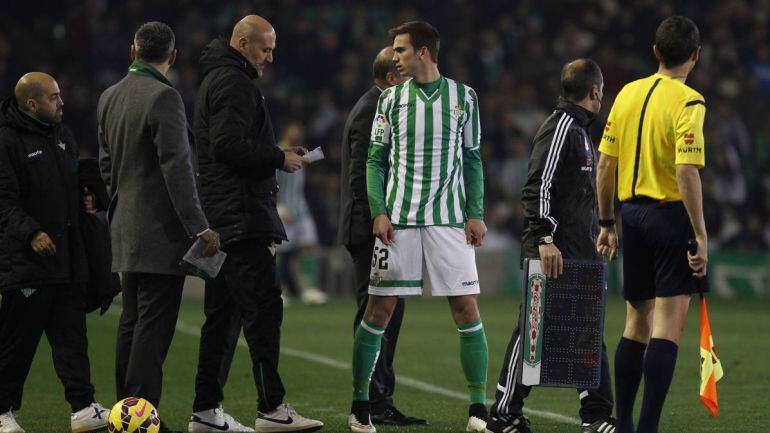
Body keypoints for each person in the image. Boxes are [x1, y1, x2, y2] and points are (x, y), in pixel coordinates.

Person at [348, 21, 488, 433]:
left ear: (423, 52)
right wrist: (379, 210)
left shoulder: (465, 97)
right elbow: (375, 160)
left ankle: (478, 409)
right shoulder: (389, 101)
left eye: (401, 49)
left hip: (449, 221)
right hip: (400, 221)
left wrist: (476, 212)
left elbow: (474, 159)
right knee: (379, 310)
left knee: (467, 309)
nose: (395, 56)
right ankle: (360, 407)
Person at [189, 15, 323, 433]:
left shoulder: (219, 78)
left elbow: (228, 143)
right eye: (264, 49)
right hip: (240, 218)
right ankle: (271, 409)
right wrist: (278, 158)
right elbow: (227, 145)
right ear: (243, 43)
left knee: (222, 319)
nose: (269, 57)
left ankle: (206, 411)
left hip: (224, 215)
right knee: (263, 312)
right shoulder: (233, 83)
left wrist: (276, 151)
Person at [97, 22, 219, 433]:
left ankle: (123, 414)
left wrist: (122, 205)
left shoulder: (109, 97)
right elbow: (177, 169)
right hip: (160, 233)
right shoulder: (164, 97)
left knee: (130, 322)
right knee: (152, 327)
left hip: (124, 230)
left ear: (133, 50)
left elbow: (105, 166)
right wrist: (199, 225)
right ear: (173, 56)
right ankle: (139, 420)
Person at [485, 60, 616, 433]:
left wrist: (600, 231)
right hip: (553, 251)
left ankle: (596, 416)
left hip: (578, 253)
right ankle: (504, 414)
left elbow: (577, 197)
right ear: (595, 91)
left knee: (587, 332)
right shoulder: (561, 127)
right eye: (602, 89)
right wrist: (545, 238)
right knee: (533, 332)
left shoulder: (579, 131)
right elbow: (537, 186)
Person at [596, 16, 708, 433]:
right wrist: (700, 234)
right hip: (669, 216)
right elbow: (687, 172)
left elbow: (606, 163)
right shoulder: (689, 101)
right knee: (666, 327)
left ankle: (621, 422)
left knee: (635, 323)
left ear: (656, 51)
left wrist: (607, 221)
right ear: (695, 55)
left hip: (631, 215)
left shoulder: (626, 93)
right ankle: (647, 428)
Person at [0, 72, 110, 433]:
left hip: (66, 260)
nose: (62, 103)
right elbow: (4, 201)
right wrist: (31, 233)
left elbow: (66, 186)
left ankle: (82, 408)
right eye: (54, 98)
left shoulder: (62, 135)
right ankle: (2, 412)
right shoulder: (7, 141)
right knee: (17, 344)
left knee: (72, 339)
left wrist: (87, 197)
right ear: (32, 104)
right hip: (26, 264)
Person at [337, 46, 426, 427]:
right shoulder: (375, 109)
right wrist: (380, 216)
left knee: (385, 313)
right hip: (372, 227)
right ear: (392, 79)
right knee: (377, 315)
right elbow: (362, 173)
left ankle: (378, 398)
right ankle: (371, 401)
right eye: (407, 75)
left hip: (378, 225)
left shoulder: (372, 105)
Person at [276, 122, 326, 306]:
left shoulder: (297, 152)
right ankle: (278, 291)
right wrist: (279, 207)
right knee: (279, 253)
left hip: (301, 209)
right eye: (294, 128)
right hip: (285, 209)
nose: (298, 131)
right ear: (286, 130)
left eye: (300, 129)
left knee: (308, 246)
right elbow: (272, 182)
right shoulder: (278, 151)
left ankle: (309, 289)